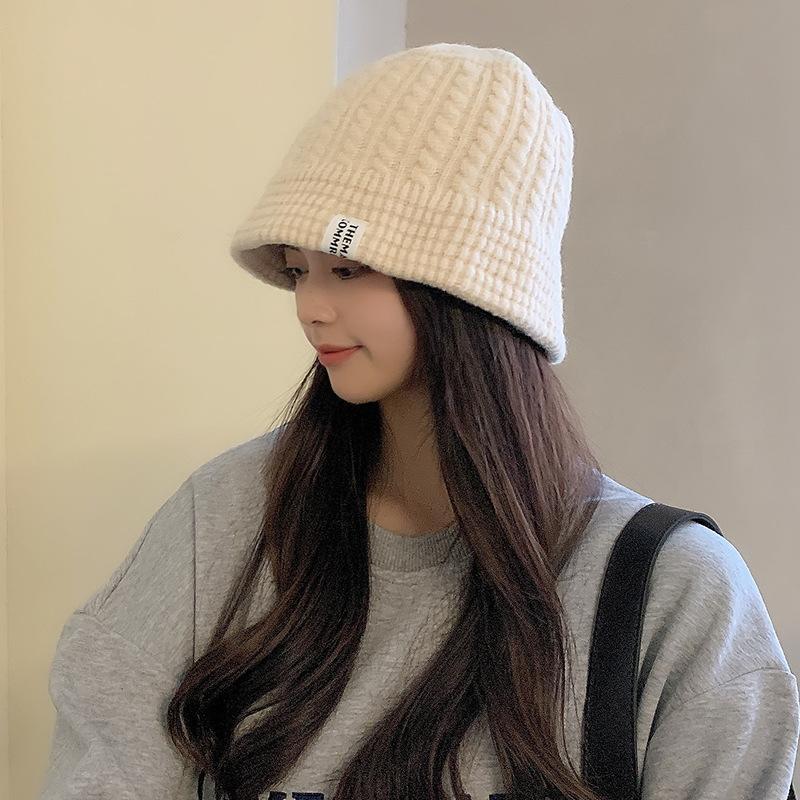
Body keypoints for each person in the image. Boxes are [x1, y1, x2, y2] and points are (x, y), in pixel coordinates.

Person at [38, 42, 799, 800]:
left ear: (469, 292)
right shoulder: (224, 523)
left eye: (348, 267)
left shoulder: (673, 596)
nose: (311, 306)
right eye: (299, 270)